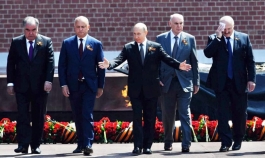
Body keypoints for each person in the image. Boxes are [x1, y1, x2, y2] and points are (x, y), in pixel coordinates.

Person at [98, 23, 191, 155]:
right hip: (135, 90)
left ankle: (147, 146)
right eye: (134, 34)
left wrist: (179, 66)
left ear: (145, 33)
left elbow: (167, 59)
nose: (136, 36)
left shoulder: (156, 47)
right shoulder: (129, 48)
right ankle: (137, 146)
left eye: (138, 34)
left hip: (151, 89)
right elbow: (118, 60)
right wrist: (109, 65)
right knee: (136, 118)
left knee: (150, 118)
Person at [204, 16, 256, 152]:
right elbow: (207, 54)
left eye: (229, 29)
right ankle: (225, 142)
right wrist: (218, 37)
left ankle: (238, 140)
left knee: (240, 113)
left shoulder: (243, 38)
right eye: (224, 29)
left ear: (233, 26)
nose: (227, 31)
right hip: (221, 83)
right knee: (222, 114)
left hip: (239, 82)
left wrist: (252, 79)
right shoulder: (214, 38)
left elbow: (250, 61)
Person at [6, 16, 54, 154]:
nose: (31, 33)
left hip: (40, 87)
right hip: (21, 87)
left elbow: (50, 63)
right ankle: (23, 144)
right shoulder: (16, 42)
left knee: (38, 116)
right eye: (27, 30)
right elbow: (10, 64)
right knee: (22, 116)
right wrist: (10, 82)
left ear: (37, 29)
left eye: (33, 30)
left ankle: (35, 145)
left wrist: (48, 80)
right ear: (24, 29)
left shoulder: (46, 42)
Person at [58, 16, 105, 156]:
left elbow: (101, 66)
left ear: (88, 27)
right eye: (78, 27)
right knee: (77, 115)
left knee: (87, 114)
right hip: (73, 86)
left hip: (89, 85)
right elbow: (62, 66)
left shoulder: (96, 44)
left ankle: (88, 144)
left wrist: (100, 86)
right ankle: (80, 144)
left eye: (83, 27)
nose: (80, 29)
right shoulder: (67, 43)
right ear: (74, 28)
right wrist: (63, 84)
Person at [156, 13, 199, 152]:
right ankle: (168, 141)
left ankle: (186, 144)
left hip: (184, 82)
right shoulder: (161, 39)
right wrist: (157, 79)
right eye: (176, 23)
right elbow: (156, 61)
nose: (179, 26)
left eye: (181, 23)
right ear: (170, 24)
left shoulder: (190, 39)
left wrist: (196, 82)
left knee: (184, 113)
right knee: (168, 114)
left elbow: (194, 61)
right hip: (167, 82)